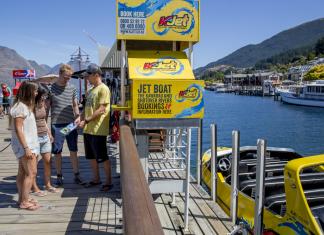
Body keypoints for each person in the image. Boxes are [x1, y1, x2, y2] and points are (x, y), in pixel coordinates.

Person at [49, 64, 84, 186]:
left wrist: (78, 116)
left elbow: (75, 104)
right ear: (59, 74)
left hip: (70, 124)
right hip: (57, 125)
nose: (68, 79)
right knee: (57, 151)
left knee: (73, 149)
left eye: (69, 77)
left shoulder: (72, 88)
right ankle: (59, 176)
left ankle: (76, 175)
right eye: (65, 77)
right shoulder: (51, 89)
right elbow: (47, 107)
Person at [79, 64, 112, 191]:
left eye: (89, 76)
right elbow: (86, 108)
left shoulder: (104, 89)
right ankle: (96, 178)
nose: (87, 78)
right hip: (88, 129)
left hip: (98, 129)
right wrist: (80, 118)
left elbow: (102, 109)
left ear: (96, 75)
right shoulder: (90, 90)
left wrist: (86, 120)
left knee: (102, 157)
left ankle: (108, 181)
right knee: (91, 156)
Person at [10, 81, 40, 210]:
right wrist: (26, 148)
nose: (36, 93)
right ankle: (24, 202)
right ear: (28, 91)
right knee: (31, 173)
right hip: (26, 146)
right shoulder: (21, 107)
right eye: (35, 91)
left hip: (27, 145)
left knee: (22, 173)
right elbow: (18, 129)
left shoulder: (23, 106)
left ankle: (22, 199)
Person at [32, 84, 59, 195]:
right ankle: (34, 187)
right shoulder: (30, 104)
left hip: (44, 136)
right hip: (34, 137)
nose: (45, 98)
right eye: (43, 95)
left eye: (46, 96)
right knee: (33, 165)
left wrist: (49, 134)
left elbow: (43, 120)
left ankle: (48, 184)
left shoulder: (43, 103)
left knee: (48, 161)